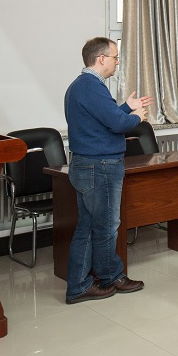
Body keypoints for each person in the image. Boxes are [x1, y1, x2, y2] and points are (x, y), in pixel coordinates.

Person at [64, 37, 152, 304]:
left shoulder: (83, 85)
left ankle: (80, 284)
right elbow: (117, 124)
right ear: (101, 58)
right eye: (115, 57)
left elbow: (103, 120)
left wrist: (126, 107)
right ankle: (110, 277)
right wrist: (136, 117)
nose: (117, 62)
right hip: (99, 165)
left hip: (88, 164)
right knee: (106, 226)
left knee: (89, 226)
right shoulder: (91, 87)